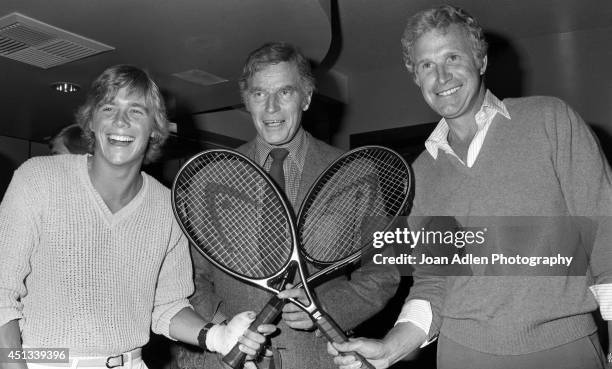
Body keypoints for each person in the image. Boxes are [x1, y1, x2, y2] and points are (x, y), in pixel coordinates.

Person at [328, 5, 612, 369]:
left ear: (480, 60)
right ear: (416, 77)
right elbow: (434, 283)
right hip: (461, 354)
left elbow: (606, 232)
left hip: (565, 348)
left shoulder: (549, 120)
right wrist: (391, 348)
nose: (441, 75)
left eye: (452, 57)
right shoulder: (420, 175)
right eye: (426, 65)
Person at [0, 65, 272, 369]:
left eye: (136, 111)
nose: (120, 121)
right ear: (90, 121)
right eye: (108, 108)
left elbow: (167, 306)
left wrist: (218, 337)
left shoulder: (167, 208)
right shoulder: (38, 179)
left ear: (156, 128)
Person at [175, 43, 400, 369]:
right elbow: (192, 279)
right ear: (246, 100)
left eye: (285, 92)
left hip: (321, 360)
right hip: (229, 360)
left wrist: (324, 306)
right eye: (259, 94)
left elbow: (383, 273)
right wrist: (225, 327)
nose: (271, 107)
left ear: (306, 98)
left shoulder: (356, 172)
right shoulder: (208, 178)